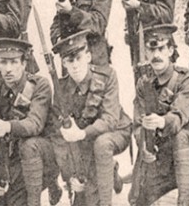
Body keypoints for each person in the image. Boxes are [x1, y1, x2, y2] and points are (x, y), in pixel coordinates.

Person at [127, 24, 189, 206]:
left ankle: (184, 199)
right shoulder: (143, 83)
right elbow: (138, 124)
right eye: (151, 49)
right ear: (146, 53)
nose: (156, 55)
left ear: (170, 50)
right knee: (136, 199)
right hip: (160, 154)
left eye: (161, 48)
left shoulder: (185, 79)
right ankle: (186, 179)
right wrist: (144, 144)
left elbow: (179, 117)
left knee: (180, 137)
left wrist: (161, 121)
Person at [51, 30, 132, 206]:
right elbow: (59, 139)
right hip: (87, 141)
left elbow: (110, 119)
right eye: (69, 61)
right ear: (64, 63)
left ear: (88, 56)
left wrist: (81, 134)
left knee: (102, 145)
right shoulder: (60, 89)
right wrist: (72, 176)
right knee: (83, 199)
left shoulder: (107, 76)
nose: (75, 65)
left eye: (79, 58)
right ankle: (109, 171)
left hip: (116, 131)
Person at [0, 38, 62, 206]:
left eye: (13, 62)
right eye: (3, 62)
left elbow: (34, 124)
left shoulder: (39, 85)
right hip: (19, 158)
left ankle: (49, 182)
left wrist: (7, 126)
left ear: (24, 63)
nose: (8, 69)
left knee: (29, 145)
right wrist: (1, 176)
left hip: (46, 154)